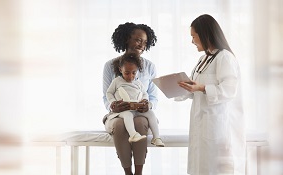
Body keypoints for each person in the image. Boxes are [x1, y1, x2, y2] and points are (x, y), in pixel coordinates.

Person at [175, 14, 246, 175]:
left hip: (216, 126)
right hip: (200, 123)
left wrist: (202, 88)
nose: (192, 41)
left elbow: (229, 90)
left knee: (214, 168)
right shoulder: (203, 59)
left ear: (205, 34)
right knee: (200, 166)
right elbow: (196, 87)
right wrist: (181, 88)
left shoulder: (225, 58)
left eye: (194, 36)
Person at [102, 22, 158, 175]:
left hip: (140, 114)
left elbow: (153, 96)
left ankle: (138, 173)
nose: (142, 45)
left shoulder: (150, 67)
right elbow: (106, 95)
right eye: (138, 40)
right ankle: (128, 173)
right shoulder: (110, 66)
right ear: (127, 38)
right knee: (120, 125)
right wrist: (112, 106)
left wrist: (148, 105)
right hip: (117, 115)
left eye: (145, 43)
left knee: (139, 122)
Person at [106, 52, 164, 146]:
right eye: (127, 73)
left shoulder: (138, 82)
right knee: (128, 115)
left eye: (134, 73)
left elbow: (145, 93)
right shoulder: (117, 81)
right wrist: (113, 102)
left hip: (136, 108)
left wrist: (145, 100)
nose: (130, 76)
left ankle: (156, 137)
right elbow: (109, 93)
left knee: (151, 113)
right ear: (121, 69)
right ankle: (133, 135)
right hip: (123, 109)